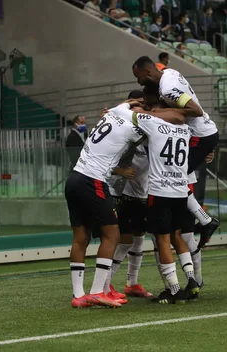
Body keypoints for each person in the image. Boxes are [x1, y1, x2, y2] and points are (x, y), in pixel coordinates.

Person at [132, 56, 220, 249]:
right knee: (176, 177)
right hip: (202, 135)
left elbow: (195, 110)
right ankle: (202, 220)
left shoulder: (167, 89)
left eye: (138, 77)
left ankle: (205, 221)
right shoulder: (170, 74)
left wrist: (158, 114)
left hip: (199, 136)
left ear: (147, 73)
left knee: (174, 177)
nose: (138, 82)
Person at [64, 99, 143, 308]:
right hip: (93, 181)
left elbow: (124, 106)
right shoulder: (133, 125)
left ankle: (79, 295)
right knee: (112, 234)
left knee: (80, 237)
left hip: (74, 178)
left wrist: (128, 103)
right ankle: (98, 291)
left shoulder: (114, 113)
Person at [132, 88, 199, 303]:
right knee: (177, 235)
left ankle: (174, 290)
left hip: (160, 191)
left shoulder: (152, 123)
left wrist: (133, 105)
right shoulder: (185, 130)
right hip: (181, 190)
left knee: (162, 240)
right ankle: (191, 280)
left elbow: (132, 116)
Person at [104, 90, 153, 302]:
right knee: (118, 239)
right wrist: (119, 171)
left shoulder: (150, 130)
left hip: (143, 194)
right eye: (139, 105)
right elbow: (102, 159)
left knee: (138, 240)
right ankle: (104, 284)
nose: (143, 109)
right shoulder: (123, 133)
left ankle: (132, 283)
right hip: (119, 193)